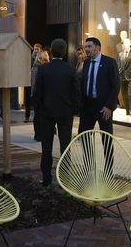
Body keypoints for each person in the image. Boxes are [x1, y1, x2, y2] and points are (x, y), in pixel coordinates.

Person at [33, 40, 78, 186]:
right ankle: (65, 179)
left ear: (51, 51)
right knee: (65, 145)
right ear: (65, 52)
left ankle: (46, 179)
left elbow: (38, 92)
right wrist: (74, 109)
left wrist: (38, 109)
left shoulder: (44, 70)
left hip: (47, 112)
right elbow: (76, 93)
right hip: (65, 112)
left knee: (46, 146)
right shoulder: (71, 70)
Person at [78, 36, 120, 135]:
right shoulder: (86, 62)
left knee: (106, 136)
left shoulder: (109, 62)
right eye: (86, 47)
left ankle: (108, 151)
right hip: (87, 106)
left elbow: (116, 85)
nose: (86, 49)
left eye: (89, 46)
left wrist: (109, 106)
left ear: (97, 48)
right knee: (84, 135)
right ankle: (88, 151)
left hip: (104, 107)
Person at [118, 38, 131, 118]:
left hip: (130, 77)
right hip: (122, 77)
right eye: (124, 43)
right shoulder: (120, 54)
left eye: (127, 43)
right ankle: (127, 111)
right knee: (124, 95)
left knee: (130, 94)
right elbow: (119, 66)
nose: (125, 45)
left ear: (129, 44)